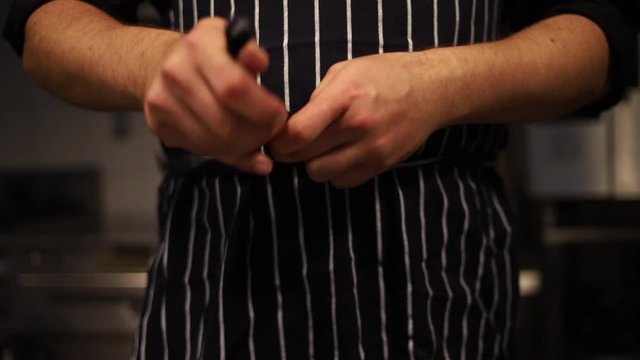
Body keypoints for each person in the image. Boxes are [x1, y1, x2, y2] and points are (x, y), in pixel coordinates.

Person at [3, 0, 638, 359]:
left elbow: (605, 38)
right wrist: (158, 64)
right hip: (212, 296)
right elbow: (41, 24)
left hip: (443, 292)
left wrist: (443, 83)